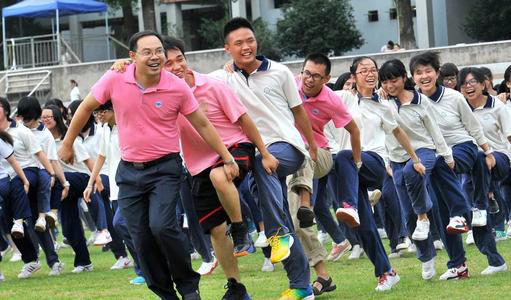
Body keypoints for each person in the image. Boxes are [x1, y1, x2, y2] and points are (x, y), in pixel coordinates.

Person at [59, 30, 238, 300]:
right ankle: (165, 293)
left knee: (162, 227)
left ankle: (188, 287)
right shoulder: (116, 77)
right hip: (129, 172)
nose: (155, 57)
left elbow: (202, 123)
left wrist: (227, 156)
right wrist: (67, 142)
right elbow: (85, 107)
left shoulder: (175, 86)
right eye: (147, 52)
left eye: (159, 51)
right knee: (140, 238)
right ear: (133, 57)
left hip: (165, 169)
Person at [211, 17, 316, 300]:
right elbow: (186, 80)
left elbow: (299, 113)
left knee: (263, 168)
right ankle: (302, 287)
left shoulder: (280, 73)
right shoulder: (221, 79)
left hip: (286, 148)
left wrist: (312, 147)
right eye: (238, 43)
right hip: (255, 155)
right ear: (227, 48)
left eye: (250, 41)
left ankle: (276, 233)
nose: (246, 47)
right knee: (273, 204)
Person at [288, 53, 357, 296]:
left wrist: (357, 161)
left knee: (304, 153)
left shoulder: (332, 100)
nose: (309, 79)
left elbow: (353, 129)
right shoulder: (290, 85)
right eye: (306, 73)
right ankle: (323, 276)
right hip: (290, 157)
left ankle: (307, 202)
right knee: (297, 221)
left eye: (316, 76)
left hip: (322, 155)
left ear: (326, 79)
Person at [459, 67, 508, 275]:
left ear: (483, 84)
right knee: (477, 216)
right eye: (464, 84)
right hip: (473, 167)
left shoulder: (497, 107)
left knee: (479, 161)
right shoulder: (459, 108)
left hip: (500, 158)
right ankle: (495, 260)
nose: (468, 87)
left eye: (472, 82)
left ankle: (487, 197)